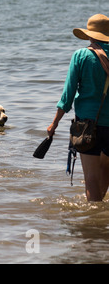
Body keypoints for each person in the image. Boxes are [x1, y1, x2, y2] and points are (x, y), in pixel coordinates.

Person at [47, 14, 109, 202]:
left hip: (87, 126)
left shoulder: (81, 56)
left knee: (90, 178)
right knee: (106, 170)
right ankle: (101, 219)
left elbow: (67, 96)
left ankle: (92, 224)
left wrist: (54, 124)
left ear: (90, 35)